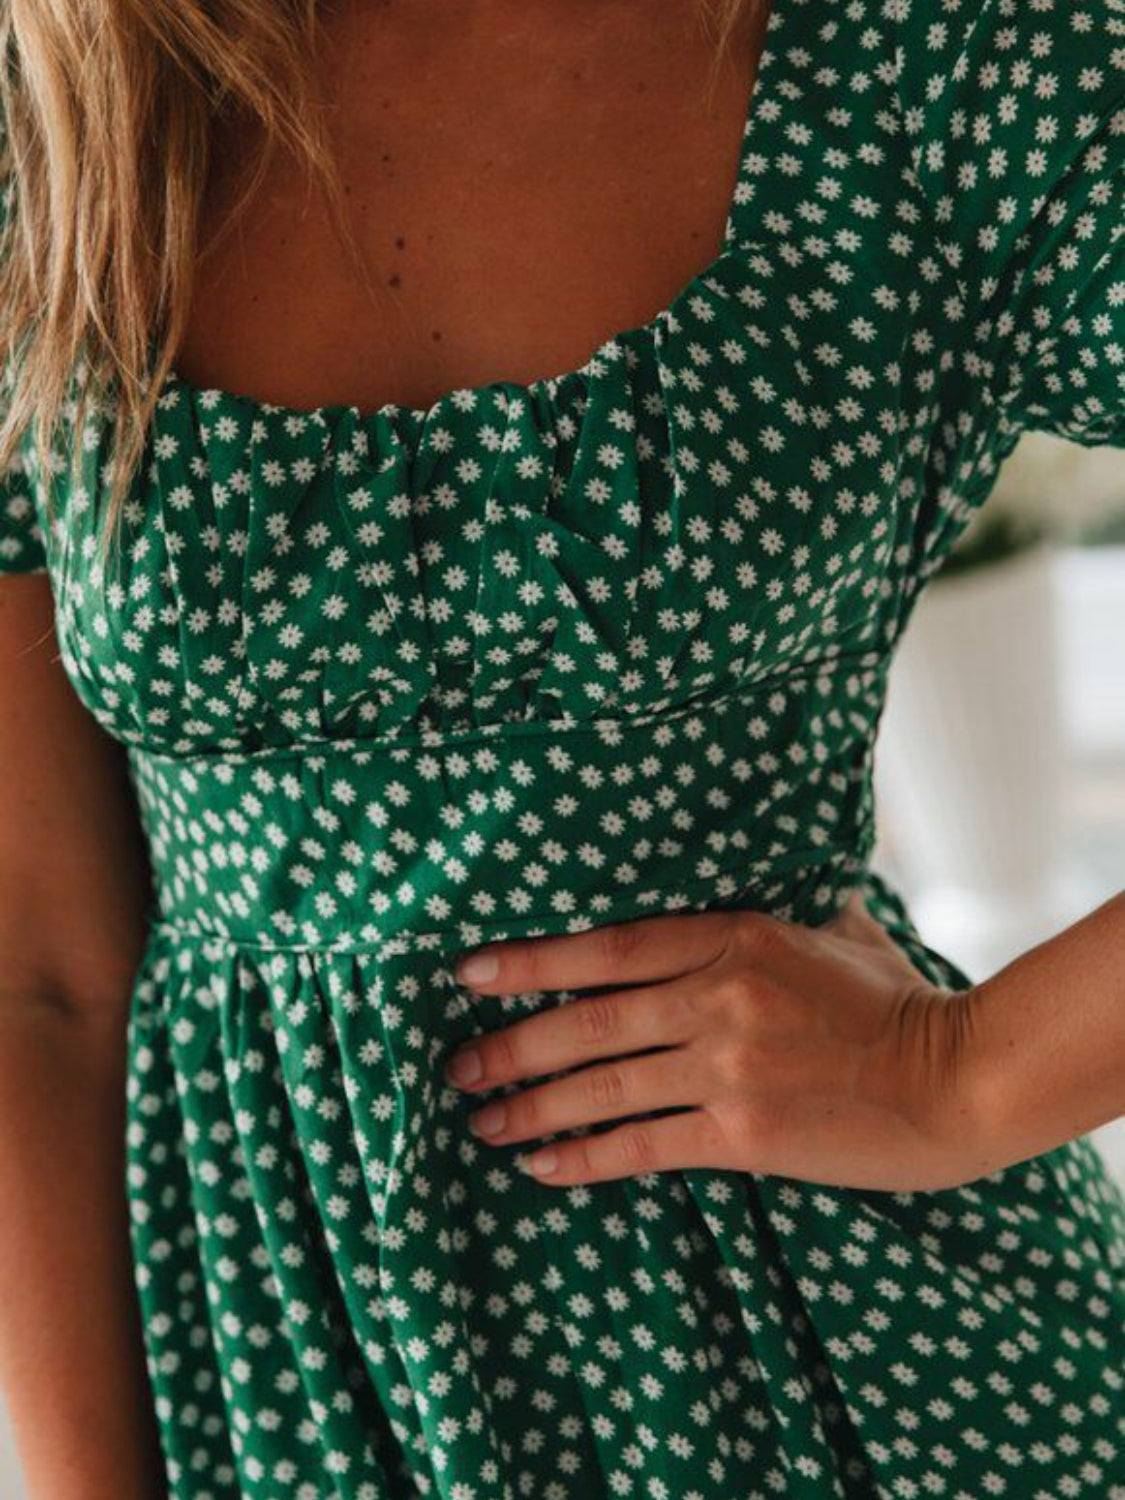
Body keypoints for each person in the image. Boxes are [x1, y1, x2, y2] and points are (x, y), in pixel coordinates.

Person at [0, 0, 1122, 1496]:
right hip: (282, 1384)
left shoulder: (938, 62)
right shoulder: (58, 101)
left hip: (852, 1364)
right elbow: (41, 976)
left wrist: (952, 1079)